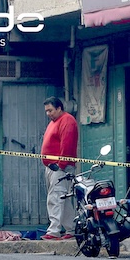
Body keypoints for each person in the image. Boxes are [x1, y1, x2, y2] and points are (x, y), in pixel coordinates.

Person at [40, 96, 79, 241]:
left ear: (59, 108)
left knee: (55, 197)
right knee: (63, 198)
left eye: (50, 110)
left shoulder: (67, 120)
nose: (48, 114)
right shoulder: (54, 122)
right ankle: (71, 228)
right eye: (46, 111)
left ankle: (54, 230)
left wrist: (61, 165)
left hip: (60, 168)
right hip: (52, 167)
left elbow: (67, 145)